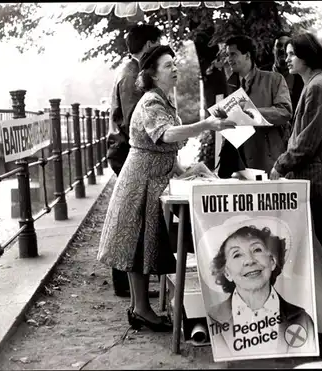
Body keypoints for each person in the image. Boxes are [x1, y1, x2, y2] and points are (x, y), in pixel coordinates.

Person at [97, 45, 236, 332]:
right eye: (168, 65)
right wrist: (206, 125)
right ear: (152, 74)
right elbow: (165, 135)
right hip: (141, 180)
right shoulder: (150, 102)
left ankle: (139, 309)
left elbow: (166, 149)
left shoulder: (163, 100)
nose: (175, 68)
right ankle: (141, 310)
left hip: (151, 178)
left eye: (174, 63)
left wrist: (186, 169)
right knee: (137, 246)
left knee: (140, 247)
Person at [269, 32, 322, 250]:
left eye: (292, 54)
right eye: (286, 54)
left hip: (318, 181)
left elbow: (307, 141)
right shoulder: (316, 84)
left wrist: (280, 166)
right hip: (317, 179)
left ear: (307, 56)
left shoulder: (317, 86)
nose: (286, 59)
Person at [107, 24, 162, 298]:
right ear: (149, 44)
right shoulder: (132, 75)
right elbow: (132, 121)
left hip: (124, 149)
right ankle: (125, 286)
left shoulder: (129, 69)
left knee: (130, 218)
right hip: (126, 151)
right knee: (131, 219)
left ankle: (127, 285)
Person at [207, 221, 316, 356]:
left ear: (272, 261)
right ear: (227, 273)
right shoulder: (213, 319)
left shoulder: (301, 318)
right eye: (237, 254)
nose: (250, 260)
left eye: (257, 250)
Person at [217, 35, 292, 178]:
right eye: (227, 55)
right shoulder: (229, 85)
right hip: (237, 164)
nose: (229, 59)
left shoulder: (274, 79)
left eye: (233, 54)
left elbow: (285, 112)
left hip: (267, 160)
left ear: (247, 55)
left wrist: (251, 113)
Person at [261, 35, 304, 114]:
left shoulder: (301, 78)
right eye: (279, 45)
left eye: (285, 47)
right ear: (273, 50)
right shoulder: (259, 74)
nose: (282, 49)